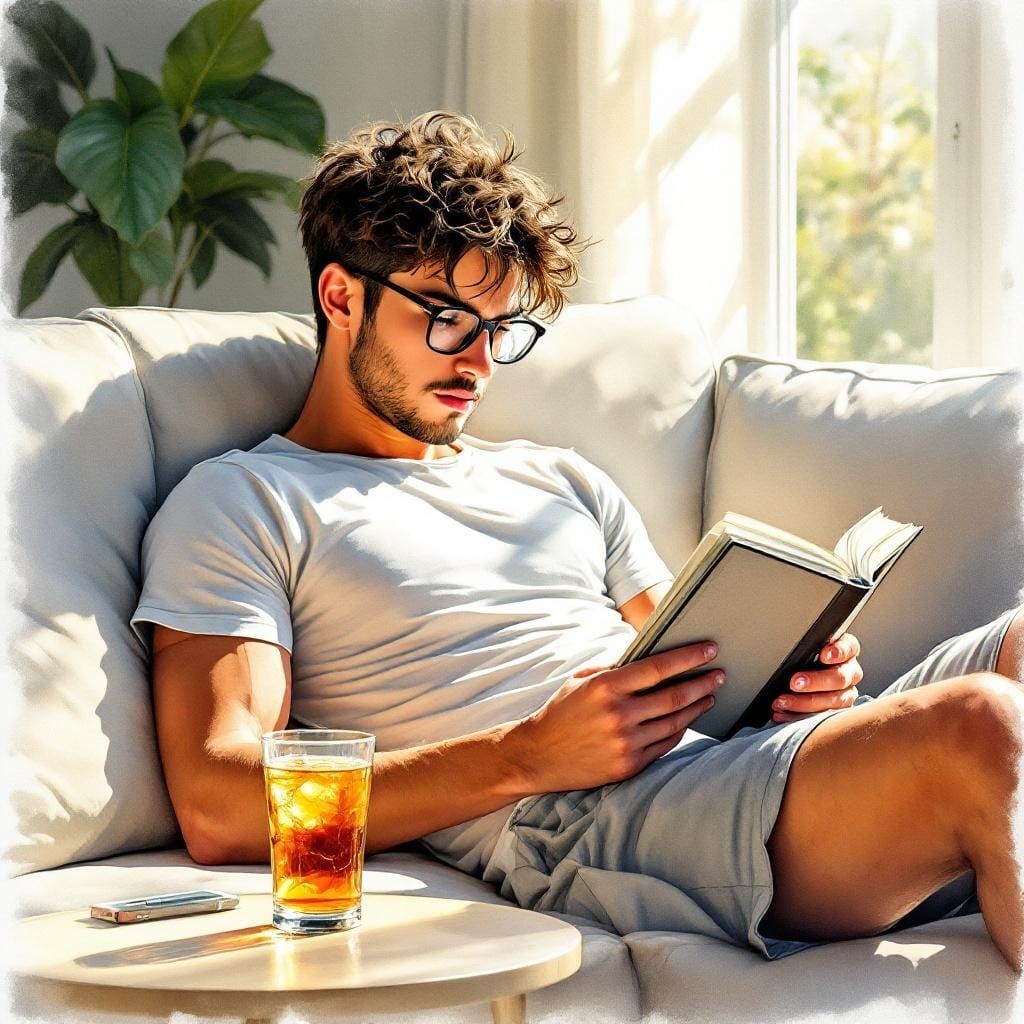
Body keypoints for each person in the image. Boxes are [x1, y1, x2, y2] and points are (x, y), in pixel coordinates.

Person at [131, 110, 1024, 971]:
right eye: (447, 319)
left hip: (719, 773)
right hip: (570, 819)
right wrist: (527, 754)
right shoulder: (246, 500)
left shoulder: (561, 478)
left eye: (500, 331)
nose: (477, 362)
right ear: (341, 296)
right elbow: (219, 802)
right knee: (981, 722)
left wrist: (791, 687)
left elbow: (695, 670)